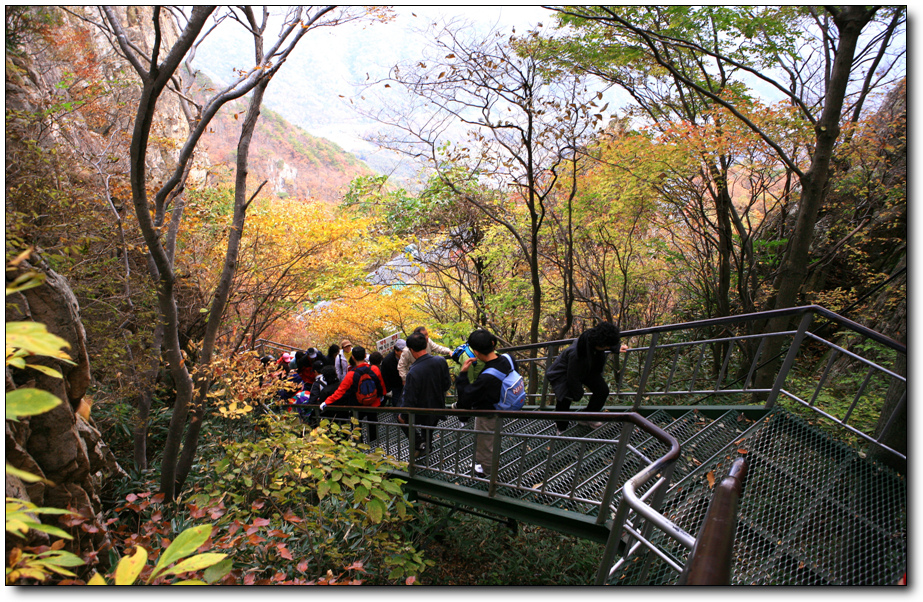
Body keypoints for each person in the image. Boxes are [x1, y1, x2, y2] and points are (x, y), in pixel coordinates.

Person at [453, 329, 517, 478]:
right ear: (493, 344)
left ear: (475, 352)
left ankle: (488, 473)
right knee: (492, 439)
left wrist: (463, 374)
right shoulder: (508, 358)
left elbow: (465, 400)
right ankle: (486, 465)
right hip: (505, 403)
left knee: (485, 443)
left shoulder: (487, 377)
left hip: (488, 412)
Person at [545, 322, 626, 434]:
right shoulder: (577, 352)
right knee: (565, 398)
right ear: (600, 343)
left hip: (587, 367)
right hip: (563, 373)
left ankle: (587, 416)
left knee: (602, 390)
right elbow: (572, 376)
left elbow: (605, 339)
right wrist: (578, 393)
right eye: (606, 346)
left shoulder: (594, 338)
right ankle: (561, 428)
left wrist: (616, 347)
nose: (607, 348)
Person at [398, 332, 452, 458]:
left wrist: (403, 415)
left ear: (411, 350)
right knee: (428, 428)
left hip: (421, 411)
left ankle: (420, 444)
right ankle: (426, 447)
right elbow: (446, 384)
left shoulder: (414, 371)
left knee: (400, 418)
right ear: (426, 343)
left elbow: (410, 399)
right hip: (437, 406)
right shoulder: (440, 361)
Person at [320, 345, 387, 443]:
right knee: (372, 421)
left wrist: (326, 402)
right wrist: (382, 396)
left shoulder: (351, 374)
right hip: (373, 402)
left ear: (353, 357)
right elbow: (381, 384)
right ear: (365, 356)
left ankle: (359, 444)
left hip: (357, 405)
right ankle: (374, 443)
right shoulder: (374, 369)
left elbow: (340, 391)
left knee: (356, 425)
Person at [380, 339, 406, 407]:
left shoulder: (408, 357)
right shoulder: (387, 361)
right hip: (395, 386)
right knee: (397, 403)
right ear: (396, 351)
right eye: (401, 351)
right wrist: (388, 390)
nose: (404, 353)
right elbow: (384, 376)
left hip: (406, 384)